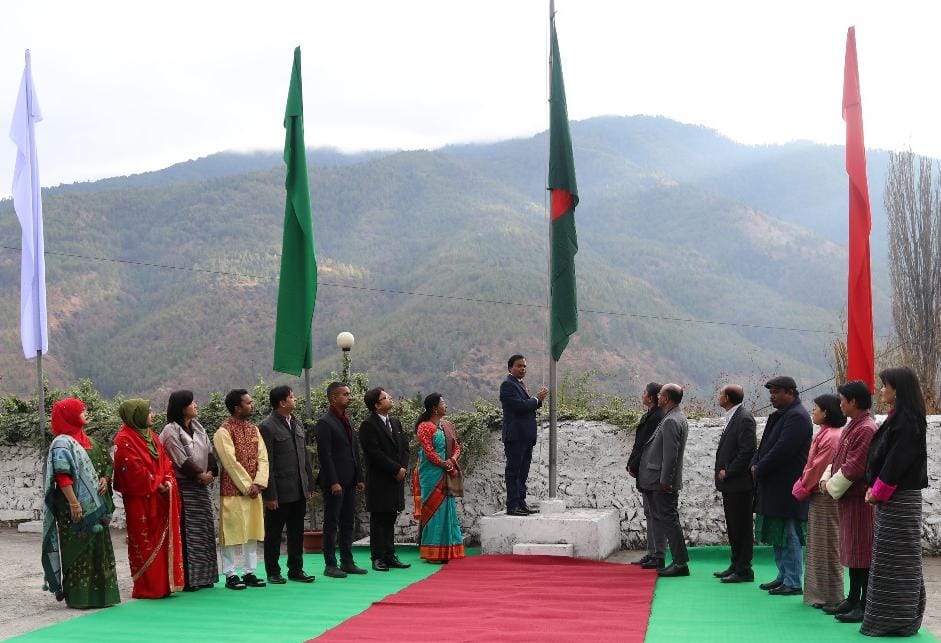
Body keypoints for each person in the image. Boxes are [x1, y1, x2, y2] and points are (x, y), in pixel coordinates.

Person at [860, 367, 928, 637]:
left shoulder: (908, 421)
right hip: (892, 499)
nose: (883, 390)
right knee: (887, 558)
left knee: (899, 558)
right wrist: (873, 488)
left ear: (898, 389)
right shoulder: (897, 418)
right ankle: (884, 617)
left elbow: (896, 463)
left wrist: (876, 491)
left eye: (886, 385)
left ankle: (898, 619)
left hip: (900, 500)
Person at [41, 397, 120, 608]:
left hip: (96, 507)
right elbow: (62, 476)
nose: (86, 413)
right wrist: (75, 504)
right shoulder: (62, 444)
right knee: (78, 550)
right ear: (69, 416)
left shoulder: (93, 443)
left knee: (99, 549)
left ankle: (103, 597)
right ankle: (80, 597)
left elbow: (107, 465)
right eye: (81, 410)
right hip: (72, 508)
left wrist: (106, 479)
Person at [112, 398, 185, 598]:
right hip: (140, 500)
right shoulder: (124, 439)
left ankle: (164, 584)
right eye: (149, 411)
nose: (153, 415)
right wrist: (157, 483)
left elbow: (166, 463)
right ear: (136, 415)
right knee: (144, 542)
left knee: (162, 541)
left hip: (160, 497)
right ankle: (148, 588)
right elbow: (132, 472)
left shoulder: (151, 436)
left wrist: (166, 482)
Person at [820, 380, 877, 623]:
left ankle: (864, 604)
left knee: (862, 553)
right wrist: (826, 480)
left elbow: (854, 467)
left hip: (860, 500)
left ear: (853, 402)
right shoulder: (853, 425)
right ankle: (852, 598)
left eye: (843, 400)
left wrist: (830, 486)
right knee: (853, 552)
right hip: (848, 499)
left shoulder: (866, 428)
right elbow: (836, 460)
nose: (840, 405)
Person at [751, 376, 812, 597]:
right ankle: (783, 575)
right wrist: (755, 462)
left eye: (776, 392)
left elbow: (782, 450)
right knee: (778, 533)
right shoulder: (782, 416)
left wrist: (760, 468)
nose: (772, 396)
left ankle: (793, 581)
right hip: (774, 484)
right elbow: (765, 446)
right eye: (771, 392)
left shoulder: (797, 417)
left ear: (790, 392)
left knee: (789, 534)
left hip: (787, 485)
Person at [158, 390, 219, 591]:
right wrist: (199, 475)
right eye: (192, 403)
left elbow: (209, 451)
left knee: (204, 530)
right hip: (183, 486)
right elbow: (178, 457)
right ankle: (189, 579)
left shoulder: (198, 427)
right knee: (187, 531)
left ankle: (205, 576)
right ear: (182, 407)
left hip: (201, 486)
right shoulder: (170, 431)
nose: (196, 405)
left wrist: (210, 472)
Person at [791, 394, 844, 608]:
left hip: (825, 496)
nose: (813, 412)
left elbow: (818, 469)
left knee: (828, 545)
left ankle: (831, 594)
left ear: (827, 412)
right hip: (819, 494)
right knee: (819, 545)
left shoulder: (831, 437)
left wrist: (802, 486)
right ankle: (819, 593)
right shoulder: (825, 433)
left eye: (817, 408)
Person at [259, 385, 316, 584]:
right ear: (282, 402)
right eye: (292, 397)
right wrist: (270, 495)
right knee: (274, 533)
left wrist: (309, 485)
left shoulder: (297, 423)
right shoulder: (267, 426)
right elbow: (267, 463)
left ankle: (296, 569)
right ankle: (273, 571)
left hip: (298, 489)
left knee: (296, 532)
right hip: (280, 492)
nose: (295, 400)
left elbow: (304, 458)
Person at [213, 389, 269, 590]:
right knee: (231, 532)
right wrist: (248, 486)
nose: (251, 405)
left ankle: (250, 572)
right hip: (233, 491)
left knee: (252, 531)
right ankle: (230, 574)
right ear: (237, 408)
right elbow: (230, 462)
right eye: (248, 402)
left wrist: (259, 483)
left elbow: (263, 458)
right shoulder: (223, 431)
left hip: (254, 490)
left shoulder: (254, 429)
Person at [314, 382, 367, 578]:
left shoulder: (347, 420)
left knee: (347, 522)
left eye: (349, 394)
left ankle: (347, 561)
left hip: (350, 479)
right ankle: (330, 564)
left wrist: (359, 477)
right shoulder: (325, 423)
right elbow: (325, 455)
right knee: (332, 522)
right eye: (345, 394)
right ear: (333, 398)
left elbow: (354, 451)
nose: (349, 397)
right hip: (334, 482)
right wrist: (334, 481)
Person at [638, 383, 689, 578]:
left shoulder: (670, 421)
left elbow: (670, 455)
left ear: (666, 398)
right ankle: (679, 561)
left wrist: (665, 480)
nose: (657, 397)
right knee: (669, 519)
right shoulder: (676, 417)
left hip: (662, 481)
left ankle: (680, 563)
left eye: (660, 395)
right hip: (661, 479)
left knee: (669, 520)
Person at [359, 387, 411, 572]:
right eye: (385, 397)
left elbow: (405, 448)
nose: (390, 398)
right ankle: (378, 557)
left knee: (390, 518)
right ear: (376, 405)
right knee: (379, 519)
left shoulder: (395, 422)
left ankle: (390, 554)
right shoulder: (368, 425)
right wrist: (396, 469)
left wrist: (402, 468)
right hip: (380, 480)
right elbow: (374, 454)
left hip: (396, 479)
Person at [714, 384, 757, 583]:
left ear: (728, 398)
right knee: (733, 525)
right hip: (731, 484)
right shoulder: (733, 416)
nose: (719, 396)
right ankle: (736, 562)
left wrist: (729, 471)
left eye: (721, 394)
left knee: (741, 526)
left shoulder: (744, 418)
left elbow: (747, 450)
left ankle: (744, 569)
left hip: (739, 483)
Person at [414, 393, 465, 563]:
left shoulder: (447, 425)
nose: (446, 406)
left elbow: (457, 447)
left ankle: (450, 551)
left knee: (448, 510)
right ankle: (433, 553)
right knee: (434, 510)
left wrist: (451, 461)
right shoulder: (424, 427)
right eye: (443, 403)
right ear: (434, 408)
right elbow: (428, 452)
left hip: (446, 470)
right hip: (431, 474)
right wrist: (443, 464)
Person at [500, 354, 548, 516]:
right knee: (513, 471)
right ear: (510, 368)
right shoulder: (507, 385)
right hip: (515, 436)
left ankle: (521, 502)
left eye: (524, 366)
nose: (522, 369)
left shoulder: (519, 384)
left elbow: (527, 407)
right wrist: (536, 399)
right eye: (519, 366)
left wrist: (537, 400)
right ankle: (512, 505)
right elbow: (519, 407)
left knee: (523, 471)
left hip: (525, 437)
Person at [626, 382, 665, 568]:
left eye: (644, 392)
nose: (642, 395)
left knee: (656, 513)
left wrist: (634, 464)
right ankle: (652, 552)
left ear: (650, 397)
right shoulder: (650, 415)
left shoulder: (658, 417)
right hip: (643, 469)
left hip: (650, 471)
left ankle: (658, 553)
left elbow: (646, 445)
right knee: (649, 513)